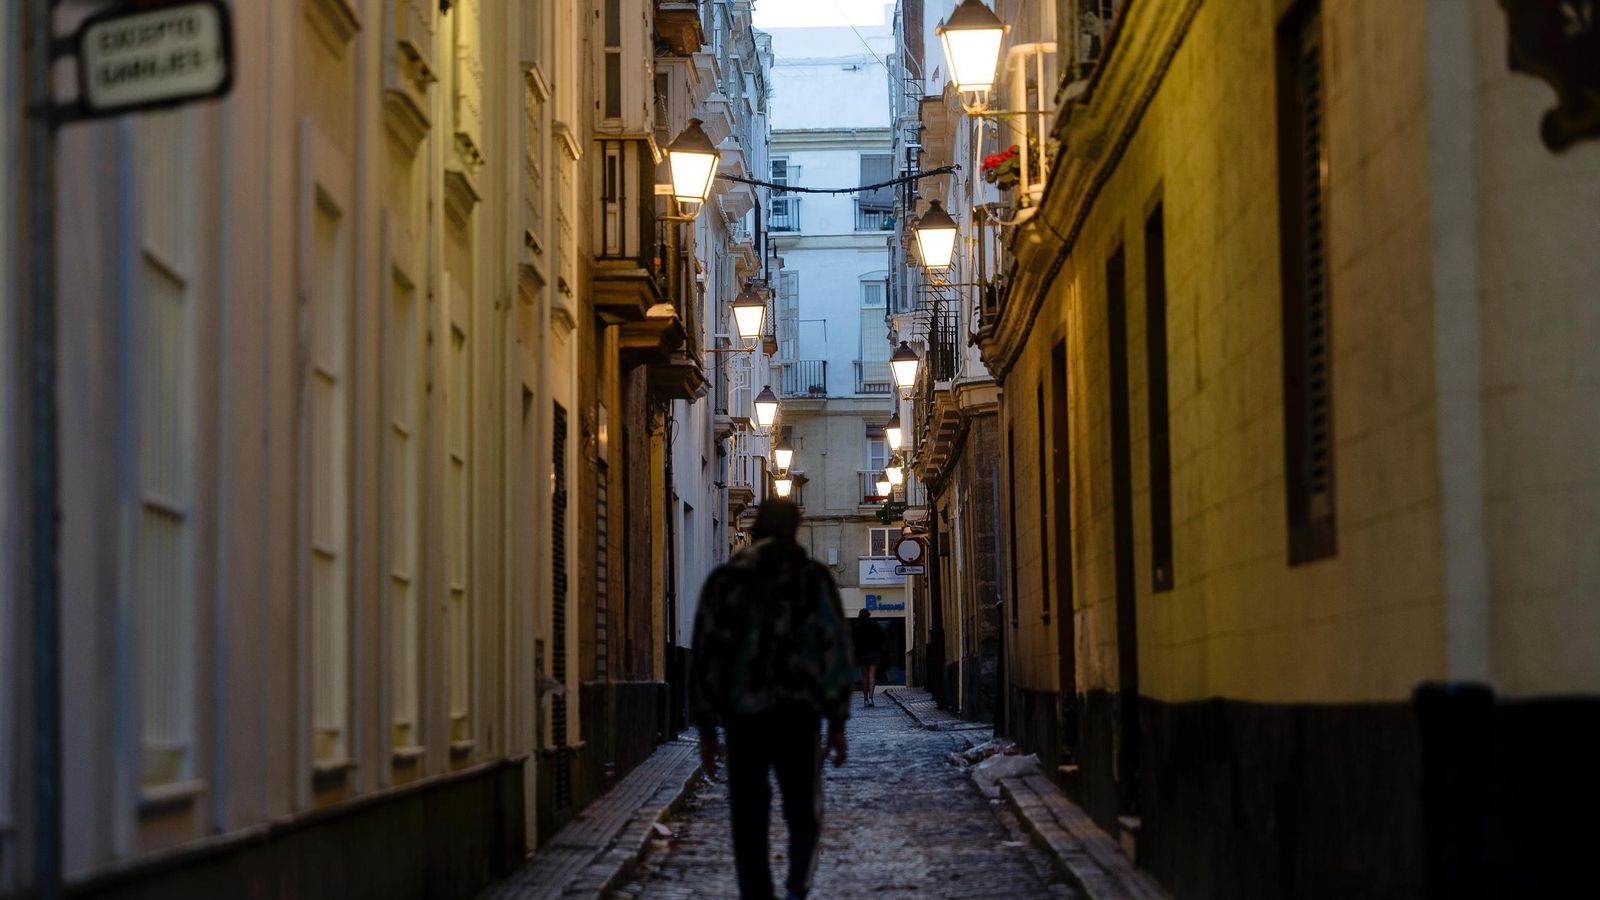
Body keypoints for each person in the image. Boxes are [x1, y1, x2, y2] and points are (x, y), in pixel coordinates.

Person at [690, 499, 853, 900]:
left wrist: (707, 728)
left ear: (757, 529)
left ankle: (757, 893)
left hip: (744, 717)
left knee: (747, 811)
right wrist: (836, 721)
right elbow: (834, 648)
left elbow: (708, 652)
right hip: (798, 715)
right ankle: (797, 886)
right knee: (802, 807)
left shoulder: (727, 580)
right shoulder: (813, 579)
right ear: (794, 530)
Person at [851, 608, 886, 706]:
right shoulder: (875, 625)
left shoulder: (857, 627)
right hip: (874, 653)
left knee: (864, 677)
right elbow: (882, 638)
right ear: (869, 615)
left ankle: (865, 699)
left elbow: (854, 641)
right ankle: (871, 697)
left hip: (862, 654)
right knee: (872, 676)